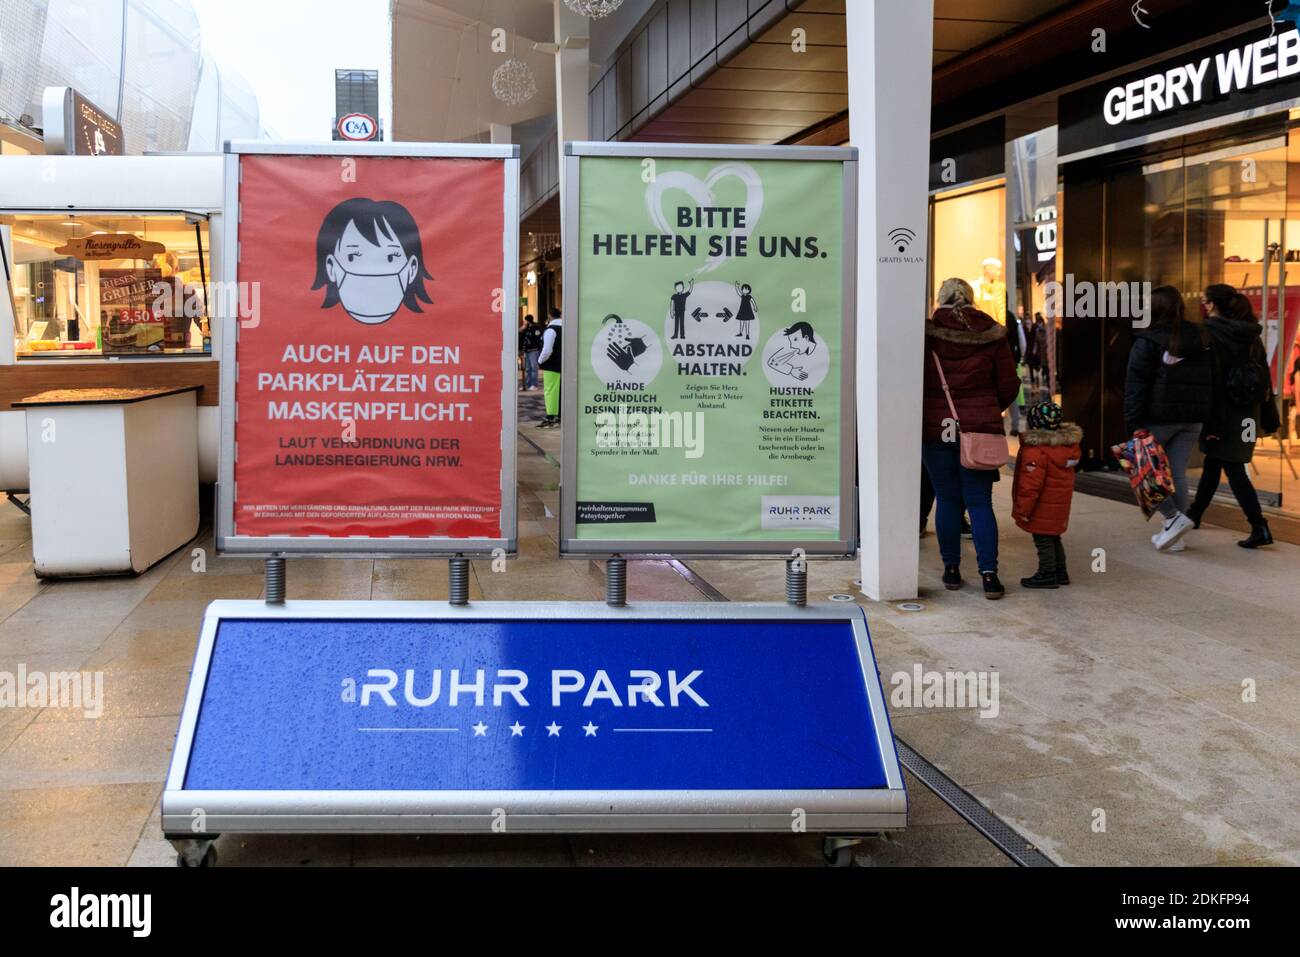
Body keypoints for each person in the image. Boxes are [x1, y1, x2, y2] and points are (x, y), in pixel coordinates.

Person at [922, 278, 1020, 599]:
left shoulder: (926, 334)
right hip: (979, 430)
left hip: (937, 430)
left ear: (940, 298)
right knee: (979, 503)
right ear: (972, 298)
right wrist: (987, 409)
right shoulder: (991, 333)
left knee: (947, 500)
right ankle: (989, 576)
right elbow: (1009, 384)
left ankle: (951, 570)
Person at [1123, 285, 1212, 552]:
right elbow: (1213, 378)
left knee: (1142, 468)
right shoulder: (1202, 337)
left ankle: (1173, 519)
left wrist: (1133, 423)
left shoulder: (1148, 340)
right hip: (1193, 418)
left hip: (1158, 417)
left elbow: (1135, 385)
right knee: (1176, 472)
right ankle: (1175, 535)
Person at [1186, 284, 1274, 548]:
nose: (1204, 306)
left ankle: (1260, 526)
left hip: (1223, 412)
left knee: (1233, 467)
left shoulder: (1211, 335)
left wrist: (1206, 417)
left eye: (1205, 301)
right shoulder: (1252, 335)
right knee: (1215, 461)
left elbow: (1208, 380)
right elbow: (1265, 378)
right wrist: (1270, 417)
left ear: (1212, 305)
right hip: (1249, 413)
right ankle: (1195, 514)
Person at [1011, 401, 1082, 589]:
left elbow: (1030, 486)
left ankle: (1047, 574)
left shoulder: (1036, 451)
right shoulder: (1066, 448)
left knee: (1043, 540)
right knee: (1054, 537)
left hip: (1041, 507)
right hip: (1058, 506)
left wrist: (1023, 509)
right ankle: (1061, 572)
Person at [537, 307, 563, 429]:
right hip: (565, 365)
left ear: (549, 316)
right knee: (561, 391)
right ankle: (560, 416)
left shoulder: (551, 330)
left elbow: (547, 350)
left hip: (551, 365)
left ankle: (551, 417)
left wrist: (540, 360)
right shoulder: (566, 328)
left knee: (550, 391)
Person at [519, 315, 542, 390]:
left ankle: (534, 384)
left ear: (528, 321)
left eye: (525, 321)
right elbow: (520, 334)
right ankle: (527, 385)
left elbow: (537, 338)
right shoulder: (525, 328)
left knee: (533, 368)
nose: (524, 322)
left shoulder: (536, 327)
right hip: (527, 351)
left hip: (534, 351)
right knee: (528, 369)